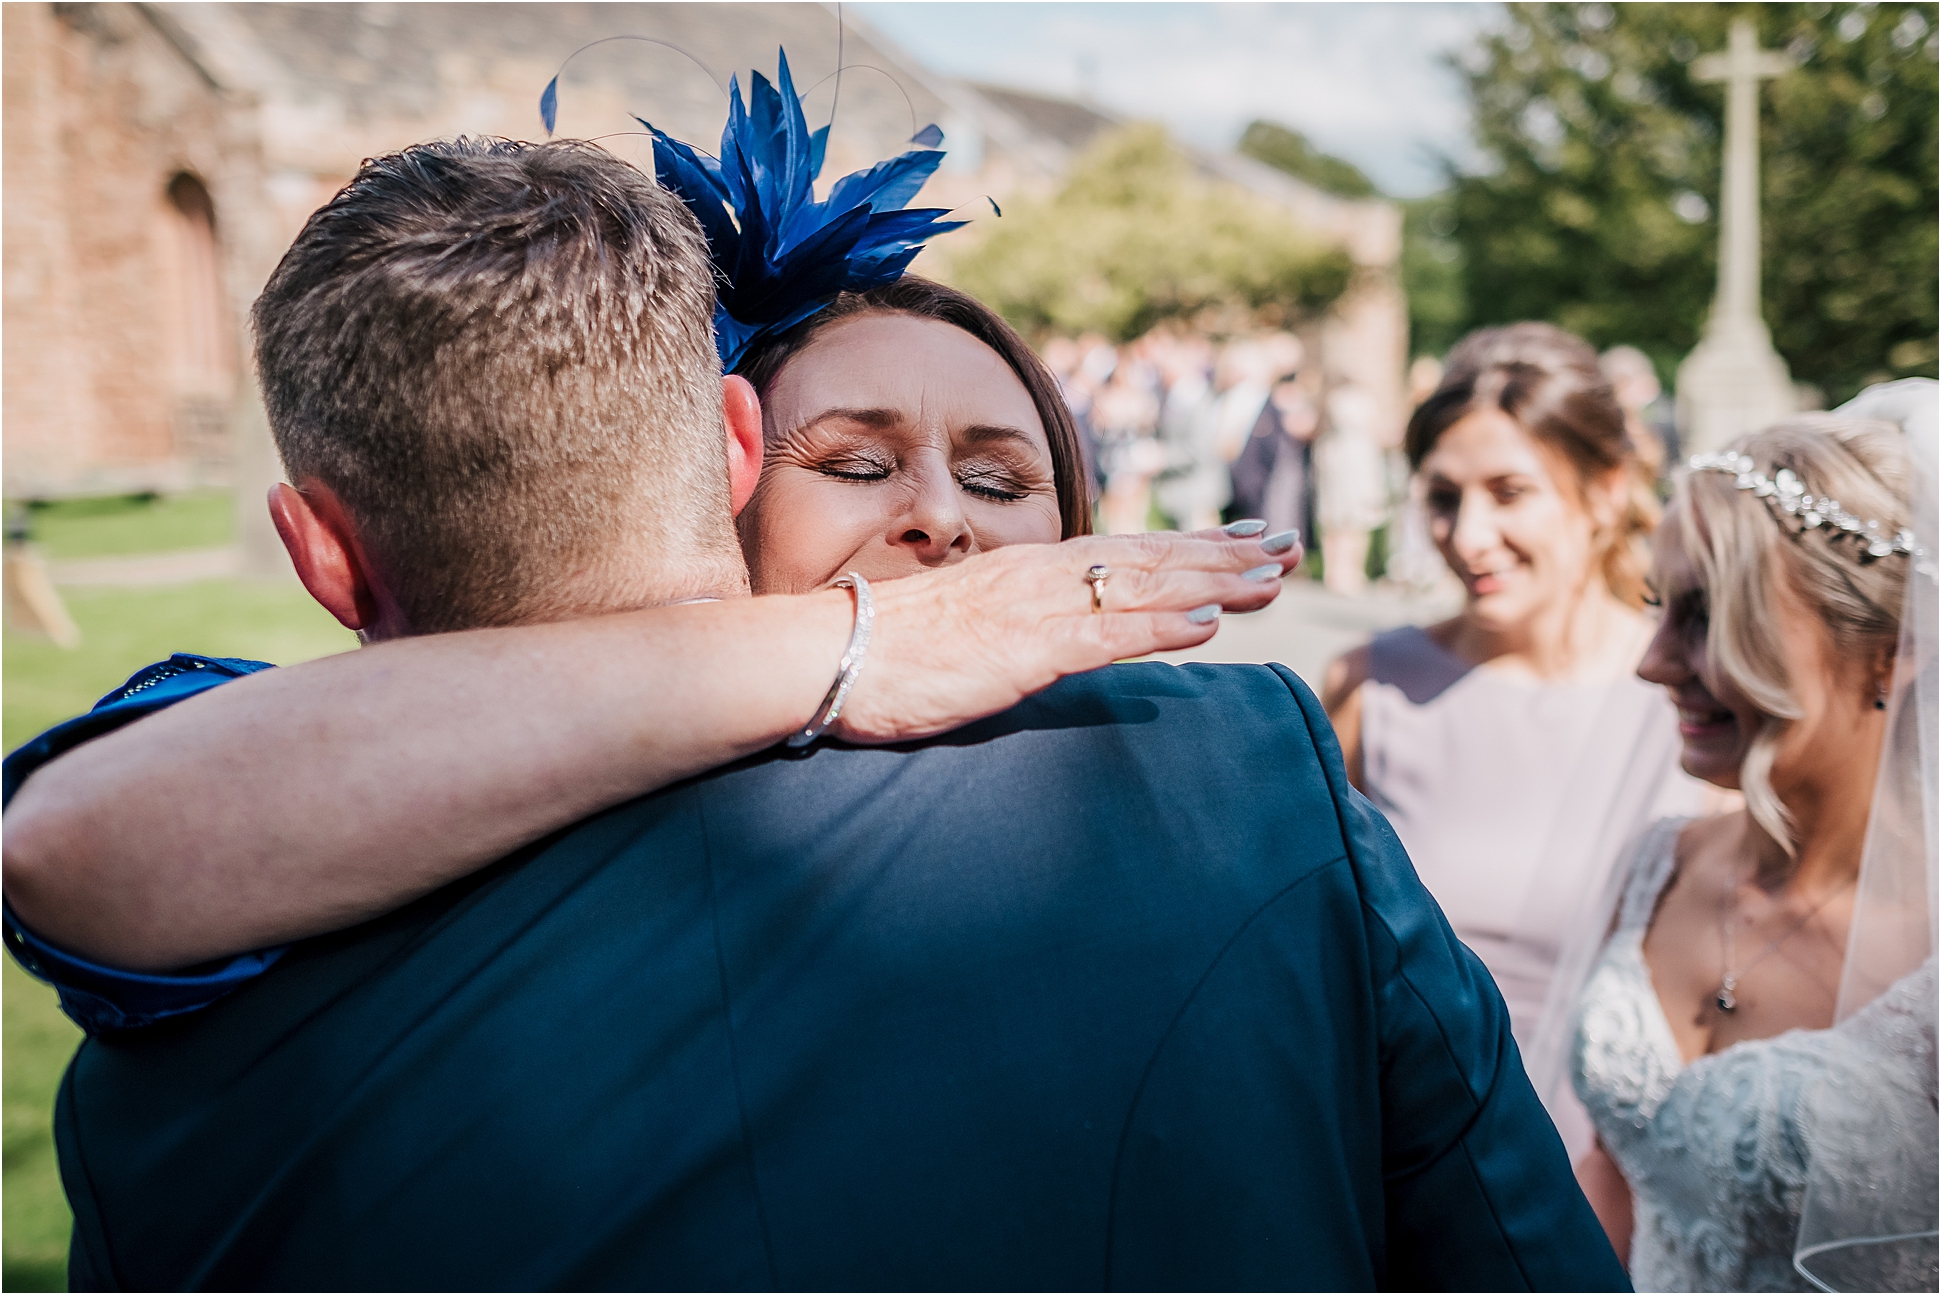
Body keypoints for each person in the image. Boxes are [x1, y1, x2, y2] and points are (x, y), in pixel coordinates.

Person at [6, 132, 1622, 1294]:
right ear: (726, 472)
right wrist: (847, 649)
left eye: (1004, 479)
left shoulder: (1242, 789)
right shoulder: (242, 910)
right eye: (855, 462)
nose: (944, 531)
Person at [1563, 410, 1935, 1291]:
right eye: (1659, 607)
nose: (1652, 663)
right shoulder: (1662, 864)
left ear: (1890, 652)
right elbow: (1613, 1177)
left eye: (1708, 617)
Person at [1321, 324, 1713, 1147]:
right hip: (1407, 1159)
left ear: (1605, 489)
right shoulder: (1369, 687)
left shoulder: (1694, 694)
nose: (1466, 536)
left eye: (1507, 491)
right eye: (1442, 497)